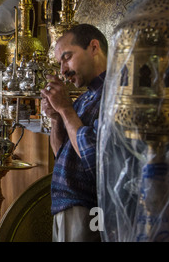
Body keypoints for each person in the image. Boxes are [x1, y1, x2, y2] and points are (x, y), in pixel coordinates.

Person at [40, 24, 108, 242]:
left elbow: (93, 157)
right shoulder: (84, 98)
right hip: (66, 207)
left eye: (67, 57)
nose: (63, 70)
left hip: (88, 209)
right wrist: (56, 117)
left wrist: (65, 109)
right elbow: (61, 152)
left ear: (94, 47)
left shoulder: (114, 94)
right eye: (60, 63)